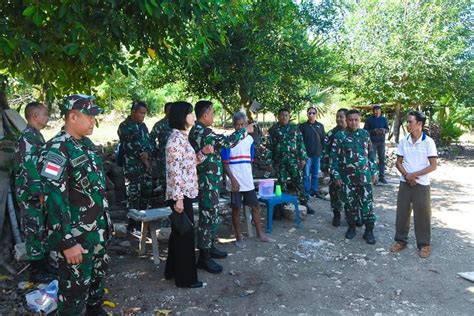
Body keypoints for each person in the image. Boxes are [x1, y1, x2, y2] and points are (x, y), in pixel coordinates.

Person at [40, 95, 110, 315]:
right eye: (89, 117)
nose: (93, 122)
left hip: (96, 232)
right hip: (76, 237)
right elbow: (52, 199)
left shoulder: (86, 145)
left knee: (96, 283)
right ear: (72, 116)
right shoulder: (56, 150)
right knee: (74, 292)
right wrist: (67, 242)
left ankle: (95, 310)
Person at [189, 100, 254, 274]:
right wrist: (244, 131)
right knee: (207, 218)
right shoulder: (202, 132)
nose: (214, 116)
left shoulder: (202, 131)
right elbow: (227, 142)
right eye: (212, 113)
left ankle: (209, 248)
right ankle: (204, 257)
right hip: (206, 182)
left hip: (211, 181)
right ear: (205, 115)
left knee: (212, 215)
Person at [164, 101, 214, 288]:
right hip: (180, 196)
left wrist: (202, 152)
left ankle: (171, 270)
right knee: (185, 238)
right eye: (191, 113)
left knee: (179, 235)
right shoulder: (175, 141)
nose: (194, 117)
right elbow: (174, 170)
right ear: (182, 116)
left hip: (184, 194)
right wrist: (178, 199)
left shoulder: (181, 138)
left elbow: (189, 163)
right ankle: (185, 279)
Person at [13, 101, 55, 283]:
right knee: (33, 230)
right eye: (45, 114)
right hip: (31, 194)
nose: (47, 117)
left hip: (38, 193)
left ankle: (44, 265)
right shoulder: (27, 138)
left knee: (41, 229)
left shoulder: (36, 136)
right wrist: (39, 191)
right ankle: (36, 271)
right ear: (34, 116)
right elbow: (29, 167)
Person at [221, 112, 274, 248]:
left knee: (255, 206)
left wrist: (249, 177)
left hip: (247, 180)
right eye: (237, 125)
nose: (239, 127)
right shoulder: (228, 140)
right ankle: (239, 237)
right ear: (233, 125)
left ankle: (260, 234)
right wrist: (232, 179)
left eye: (242, 124)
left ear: (245, 124)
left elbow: (249, 161)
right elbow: (225, 163)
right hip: (234, 180)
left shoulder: (249, 140)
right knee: (236, 209)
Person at [390, 111, 437, 258]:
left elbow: (433, 165)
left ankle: (424, 244)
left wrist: (414, 175)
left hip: (421, 184)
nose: (408, 124)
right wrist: (407, 176)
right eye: (408, 121)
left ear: (419, 124)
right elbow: (398, 162)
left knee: (422, 214)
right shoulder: (404, 141)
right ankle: (401, 241)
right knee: (402, 213)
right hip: (405, 183)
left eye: (410, 121)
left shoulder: (428, 142)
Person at [330, 109, 378, 244]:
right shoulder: (340, 136)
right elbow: (334, 158)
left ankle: (369, 230)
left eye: (356, 120)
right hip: (347, 179)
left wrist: (374, 172)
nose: (353, 122)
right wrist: (336, 176)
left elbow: (371, 156)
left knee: (367, 205)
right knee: (350, 204)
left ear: (360, 120)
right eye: (350, 120)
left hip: (365, 178)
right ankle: (351, 227)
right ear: (347, 120)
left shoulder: (365, 134)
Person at [267, 108, 314, 214]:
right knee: (280, 184)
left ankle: (304, 202)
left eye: (286, 115)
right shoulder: (273, 130)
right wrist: (269, 162)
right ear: (278, 116)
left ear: (289, 116)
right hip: (279, 162)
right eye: (282, 115)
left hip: (293, 161)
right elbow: (269, 147)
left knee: (298, 181)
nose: (284, 117)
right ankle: (280, 206)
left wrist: (303, 158)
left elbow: (300, 143)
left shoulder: (294, 128)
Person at [117, 101, 154, 230]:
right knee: (133, 195)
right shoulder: (124, 126)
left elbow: (149, 142)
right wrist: (141, 155)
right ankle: (133, 225)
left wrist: (147, 153)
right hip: (132, 167)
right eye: (141, 113)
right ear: (133, 112)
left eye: (145, 113)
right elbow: (127, 145)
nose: (143, 116)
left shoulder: (143, 126)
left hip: (145, 167)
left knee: (146, 192)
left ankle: (143, 223)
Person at [321, 108, 348, 227]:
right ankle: (337, 215)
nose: (338, 119)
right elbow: (325, 152)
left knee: (351, 193)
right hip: (335, 168)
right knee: (335, 193)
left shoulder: (353, 132)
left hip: (350, 170)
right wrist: (325, 168)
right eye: (337, 117)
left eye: (341, 117)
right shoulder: (331, 134)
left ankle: (352, 216)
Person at [299, 106, 325, 199]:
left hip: (317, 155)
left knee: (315, 174)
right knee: (306, 175)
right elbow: (299, 141)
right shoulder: (302, 126)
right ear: (307, 114)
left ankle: (314, 191)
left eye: (313, 113)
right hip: (307, 155)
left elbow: (323, 140)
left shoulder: (320, 126)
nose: (311, 115)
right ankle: (306, 192)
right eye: (309, 113)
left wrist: (323, 152)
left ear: (316, 114)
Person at [150, 102, 173, 191]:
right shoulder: (160, 124)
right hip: (164, 157)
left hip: (176, 157)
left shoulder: (177, 124)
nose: (171, 112)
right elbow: (151, 139)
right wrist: (156, 152)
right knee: (165, 179)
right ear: (165, 111)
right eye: (169, 110)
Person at [364, 105, 389, 184]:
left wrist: (384, 130)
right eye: (375, 111)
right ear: (373, 111)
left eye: (378, 111)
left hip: (381, 142)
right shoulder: (369, 120)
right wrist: (374, 131)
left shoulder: (384, 119)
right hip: (372, 142)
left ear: (380, 111)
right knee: (372, 160)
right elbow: (365, 131)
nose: (376, 112)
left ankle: (382, 177)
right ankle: (373, 177)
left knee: (382, 159)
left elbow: (387, 129)